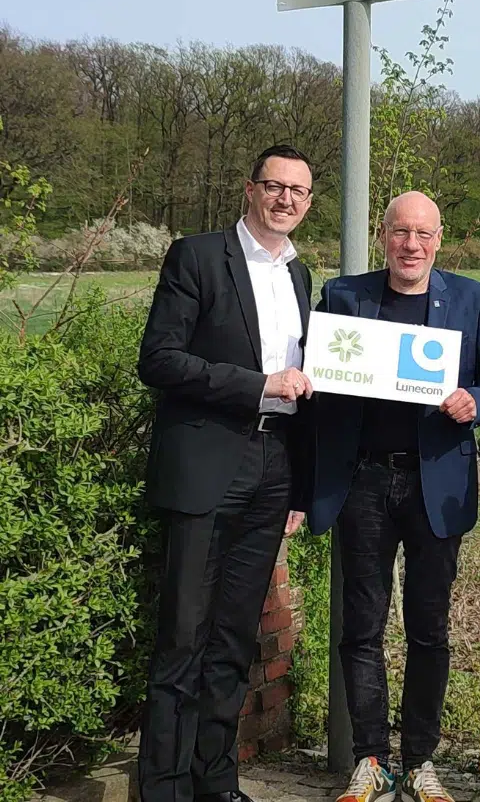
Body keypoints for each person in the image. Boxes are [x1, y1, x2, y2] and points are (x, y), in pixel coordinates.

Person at [310, 191, 480, 802]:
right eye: (400, 231)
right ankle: (370, 759)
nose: (411, 245)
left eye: (423, 233)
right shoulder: (344, 296)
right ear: (383, 235)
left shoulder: (471, 298)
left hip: (435, 483)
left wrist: (478, 402)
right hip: (363, 481)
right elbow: (316, 383)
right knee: (362, 627)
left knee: (429, 629)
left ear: (439, 239)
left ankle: (421, 761)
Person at [137, 144, 317, 802]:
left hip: (272, 465)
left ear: (308, 202)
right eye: (275, 186)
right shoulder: (197, 256)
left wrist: (299, 485)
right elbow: (159, 359)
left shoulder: (300, 276)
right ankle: (164, 788)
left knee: (235, 637)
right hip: (206, 464)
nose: (285, 199)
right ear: (250, 189)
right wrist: (258, 384)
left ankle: (216, 781)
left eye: (297, 191)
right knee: (183, 636)